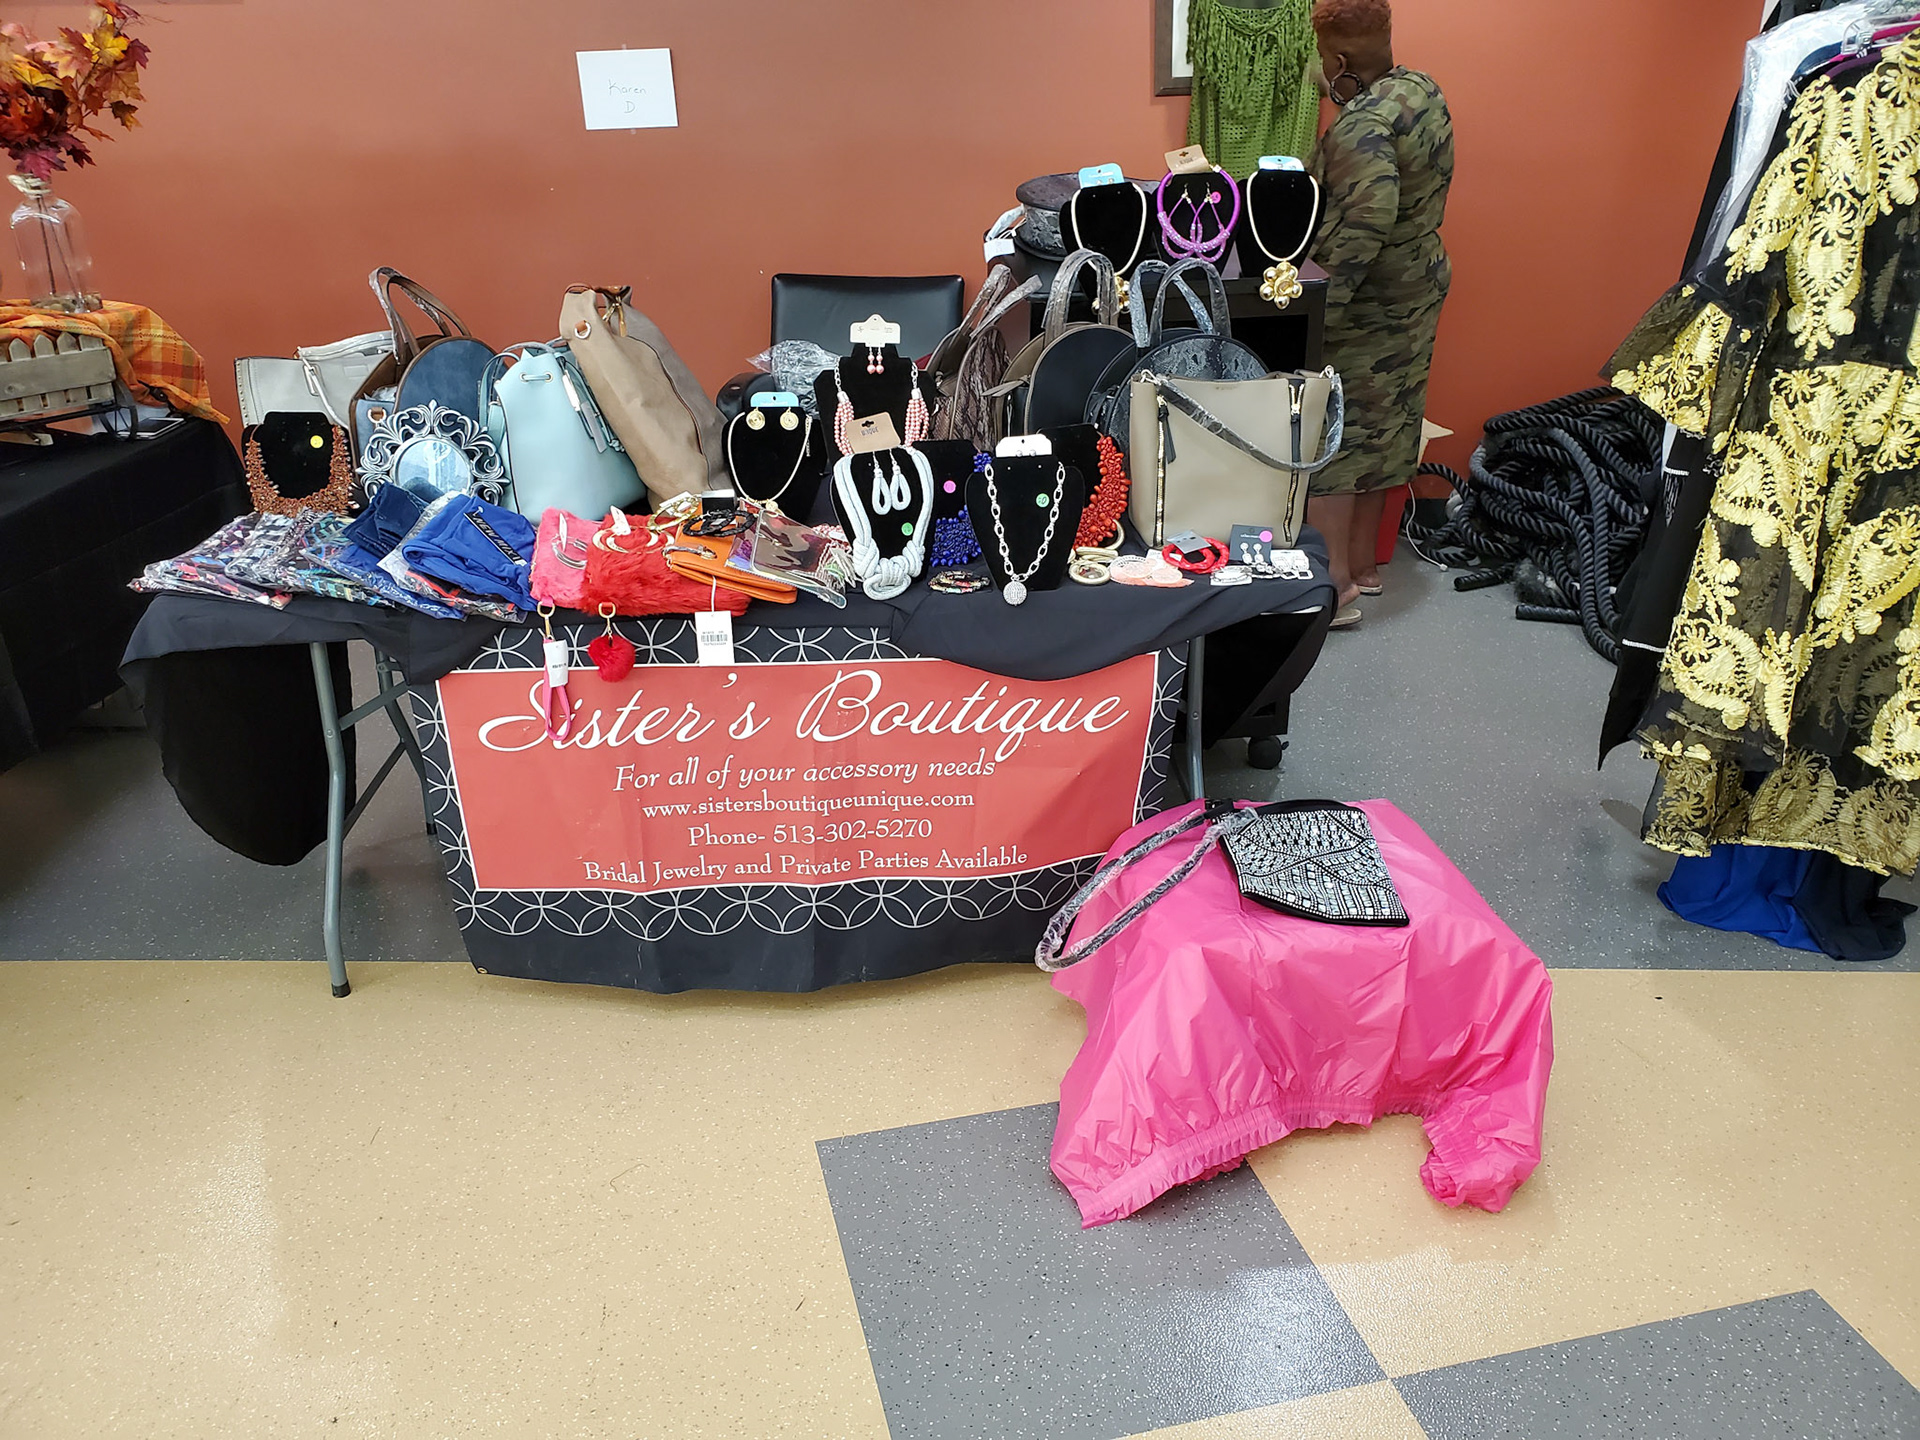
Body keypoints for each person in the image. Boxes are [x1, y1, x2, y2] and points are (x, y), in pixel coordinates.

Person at [1305, 0, 1454, 627]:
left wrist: (1321, 307)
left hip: (1367, 301)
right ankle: (1365, 566)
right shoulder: (1420, 91)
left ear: (1339, 61)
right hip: (1418, 282)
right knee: (1386, 429)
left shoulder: (1359, 127)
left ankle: (1333, 588)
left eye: (1321, 58)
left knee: (1334, 436)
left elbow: (1368, 218)